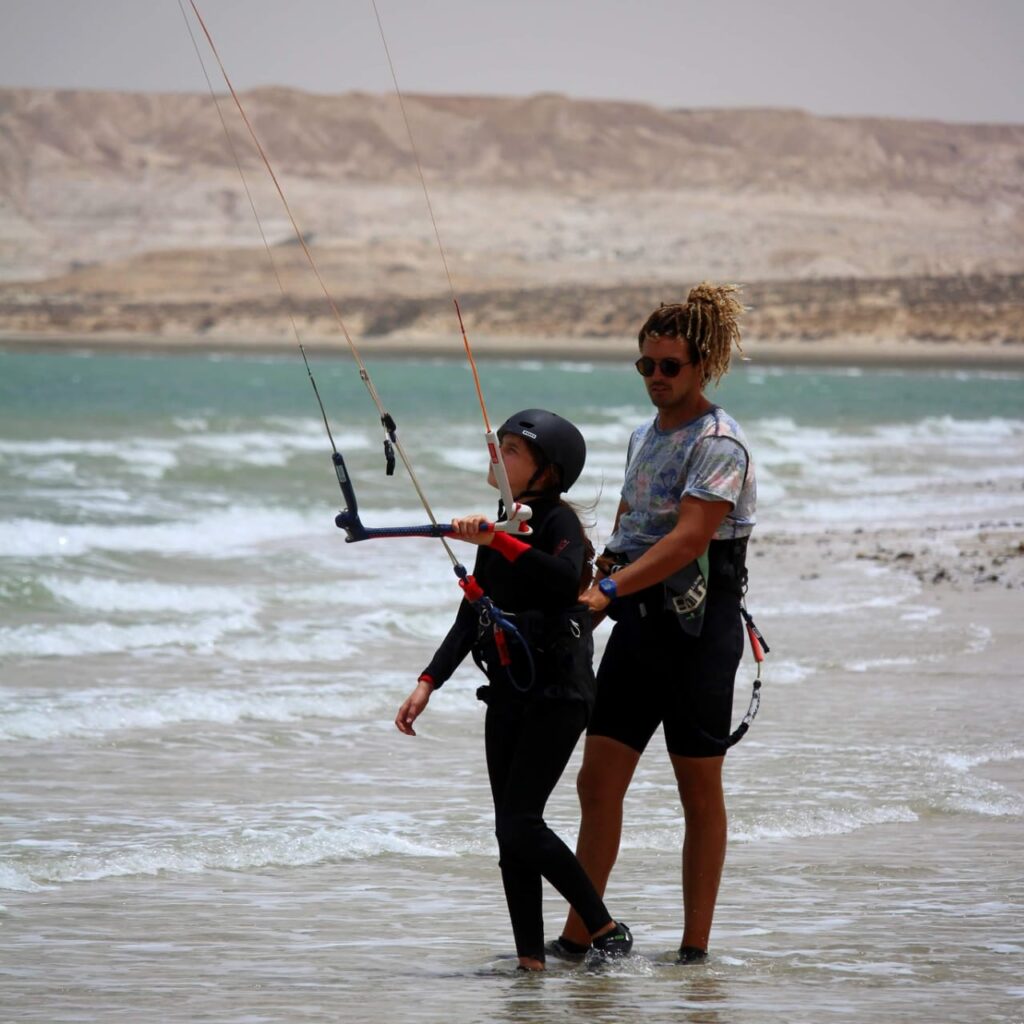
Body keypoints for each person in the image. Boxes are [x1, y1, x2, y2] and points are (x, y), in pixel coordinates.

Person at [550, 283, 756, 966]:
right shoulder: (643, 435)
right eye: (647, 365)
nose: (658, 378)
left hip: (700, 634)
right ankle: (583, 937)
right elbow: (632, 529)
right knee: (596, 782)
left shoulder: (720, 442)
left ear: (703, 366)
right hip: (637, 627)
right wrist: (587, 572)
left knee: (697, 789)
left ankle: (694, 949)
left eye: (671, 366)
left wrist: (607, 587)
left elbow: (689, 539)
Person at [395, 409, 633, 972]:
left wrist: (502, 543)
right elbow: (472, 611)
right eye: (496, 445)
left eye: (512, 450)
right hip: (506, 690)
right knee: (510, 834)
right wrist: (428, 681)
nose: (497, 455)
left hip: (559, 691)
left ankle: (603, 926)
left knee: (521, 821)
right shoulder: (500, 526)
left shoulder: (559, 523)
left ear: (547, 473)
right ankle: (531, 960)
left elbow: (558, 575)